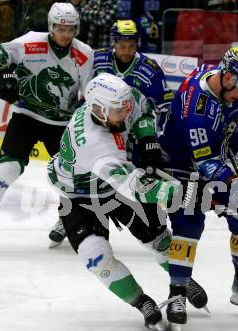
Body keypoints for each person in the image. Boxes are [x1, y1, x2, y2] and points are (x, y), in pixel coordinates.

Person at [47, 73, 207, 331]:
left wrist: (146, 139)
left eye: (125, 108)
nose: (125, 113)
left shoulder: (118, 100)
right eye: (118, 111)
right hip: (80, 196)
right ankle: (142, 302)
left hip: (111, 182)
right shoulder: (93, 142)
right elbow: (133, 185)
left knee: (158, 239)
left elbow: (142, 109)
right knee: (97, 259)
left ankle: (181, 278)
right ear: (98, 110)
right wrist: (177, 192)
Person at [158, 45, 238, 331]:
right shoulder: (196, 108)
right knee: (189, 221)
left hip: (211, 158)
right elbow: (206, 164)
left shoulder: (226, 86)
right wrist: (235, 185)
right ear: (227, 77)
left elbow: (223, 132)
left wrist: (229, 138)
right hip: (180, 164)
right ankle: (177, 293)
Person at [50, 19, 174, 246]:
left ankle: (154, 222)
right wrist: (81, 103)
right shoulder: (97, 59)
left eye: (131, 45)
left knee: (140, 174)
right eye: (121, 45)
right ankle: (65, 216)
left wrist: (150, 138)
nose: (126, 50)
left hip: (133, 131)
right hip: (100, 125)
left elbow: (160, 108)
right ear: (113, 43)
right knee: (80, 169)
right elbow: (84, 86)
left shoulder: (150, 69)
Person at [0, 3, 93, 225]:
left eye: (71, 29)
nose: (66, 35)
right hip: (26, 116)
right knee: (8, 167)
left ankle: (67, 220)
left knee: (71, 175)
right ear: (51, 26)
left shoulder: (84, 54)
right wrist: (4, 75)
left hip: (62, 124)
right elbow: (0, 53)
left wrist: (84, 107)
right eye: (61, 29)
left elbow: (88, 93)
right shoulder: (30, 42)